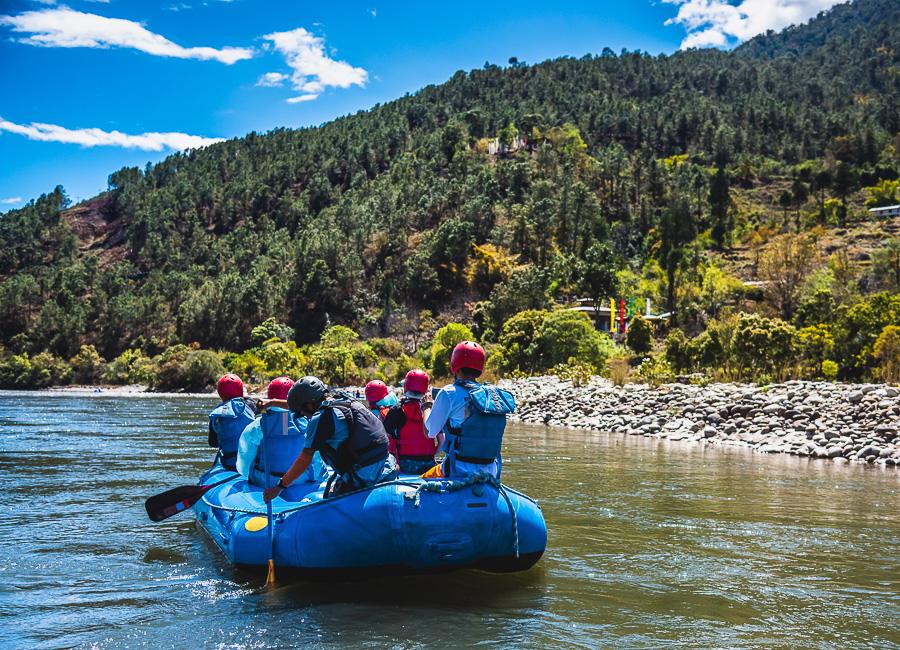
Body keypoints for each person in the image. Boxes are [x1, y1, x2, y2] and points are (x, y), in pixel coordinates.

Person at [263, 376, 397, 502]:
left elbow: (304, 459)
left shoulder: (321, 419)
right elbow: (299, 406)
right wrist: (273, 403)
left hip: (365, 473)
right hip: (384, 461)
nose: (303, 415)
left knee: (329, 504)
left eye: (302, 411)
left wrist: (279, 487)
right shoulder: (344, 400)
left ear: (310, 404)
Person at [422, 341, 515, 480]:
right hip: (491, 471)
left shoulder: (448, 392)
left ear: (454, 364)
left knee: (423, 479)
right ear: (480, 367)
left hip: (459, 468)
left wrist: (427, 406)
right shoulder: (490, 397)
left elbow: (430, 432)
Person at [236, 377, 326, 488]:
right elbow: (317, 459)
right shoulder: (309, 422)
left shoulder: (257, 426)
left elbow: (244, 460)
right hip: (302, 479)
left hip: (265, 481)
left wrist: (246, 475)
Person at [383, 369, 439, 475]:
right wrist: (432, 455)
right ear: (425, 388)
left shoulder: (397, 409)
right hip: (428, 463)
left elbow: (385, 437)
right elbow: (443, 440)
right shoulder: (431, 408)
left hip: (405, 464)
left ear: (406, 386)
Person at [208, 373, 257, 471]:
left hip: (229, 464)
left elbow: (213, 443)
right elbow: (252, 404)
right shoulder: (251, 405)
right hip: (251, 463)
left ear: (220, 393)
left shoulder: (216, 414)